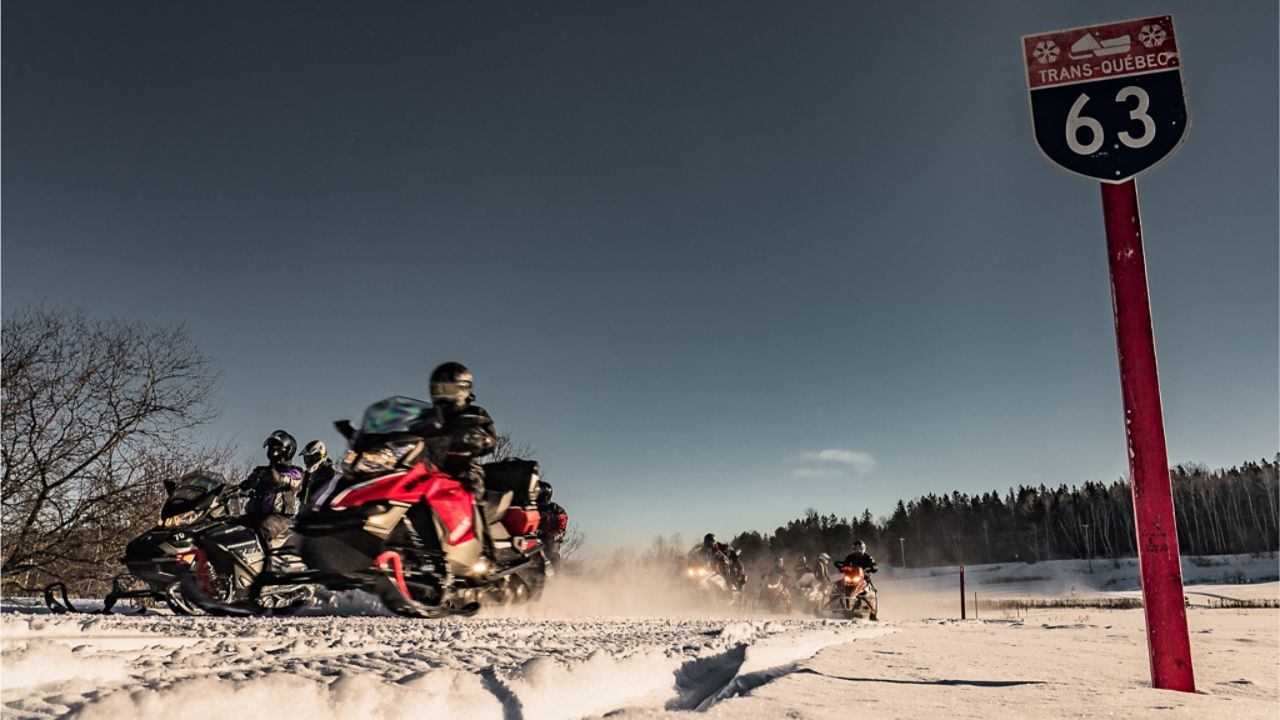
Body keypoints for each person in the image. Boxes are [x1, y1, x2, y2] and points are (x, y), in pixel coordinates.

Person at [429, 362, 496, 497]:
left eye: (449, 390)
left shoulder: (475, 414)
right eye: (438, 390)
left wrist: (476, 439)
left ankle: (477, 515)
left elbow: (490, 440)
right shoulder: (428, 417)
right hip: (429, 472)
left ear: (464, 390)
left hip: (465, 473)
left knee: (471, 495)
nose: (443, 395)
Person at [237, 430, 303, 547]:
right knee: (228, 528)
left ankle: (267, 563)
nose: (274, 453)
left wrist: (278, 477)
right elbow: (243, 487)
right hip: (253, 515)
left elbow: (291, 480)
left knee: (262, 530)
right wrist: (244, 486)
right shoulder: (260, 471)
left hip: (278, 518)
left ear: (288, 452)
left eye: (278, 450)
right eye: (272, 449)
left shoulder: (294, 472)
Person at [535, 481, 568, 567]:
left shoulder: (557, 510)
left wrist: (551, 536)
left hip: (550, 541)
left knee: (552, 553)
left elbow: (561, 529)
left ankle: (557, 577)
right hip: (534, 538)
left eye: (539, 492)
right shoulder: (533, 509)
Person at [299, 440, 336, 508]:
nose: (308, 461)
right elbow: (304, 494)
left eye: (310, 458)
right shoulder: (308, 474)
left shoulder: (330, 473)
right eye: (306, 458)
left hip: (322, 514)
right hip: (305, 513)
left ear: (318, 457)